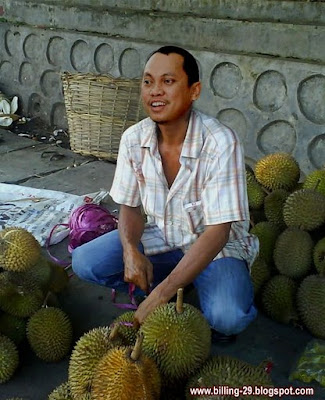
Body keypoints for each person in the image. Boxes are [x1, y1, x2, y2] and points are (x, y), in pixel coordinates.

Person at [72, 45, 259, 342]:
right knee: (85, 261)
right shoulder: (134, 139)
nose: (155, 91)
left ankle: (186, 289)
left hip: (215, 248)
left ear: (194, 90)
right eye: (148, 82)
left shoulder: (221, 142)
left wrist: (160, 295)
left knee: (228, 316)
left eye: (168, 82)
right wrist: (131, 249)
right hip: (164, 235)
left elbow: (218, 233)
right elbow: (130, 208)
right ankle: (175, 285)